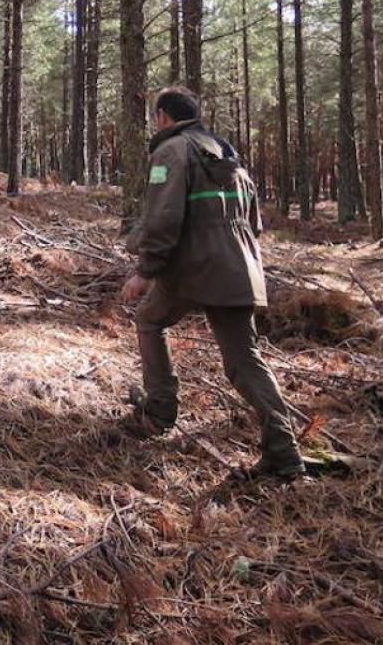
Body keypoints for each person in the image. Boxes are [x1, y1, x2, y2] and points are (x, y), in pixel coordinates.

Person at [121, 86, 305, 481]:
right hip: (239, 269)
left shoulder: (170, 152)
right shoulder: (226, 151)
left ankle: (159, 412)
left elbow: (164, 219)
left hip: (193, 269)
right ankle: (285, 452)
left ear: (164, 117)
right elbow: (255, 222)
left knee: (149, 319)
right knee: (244, 362)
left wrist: (145, 270)